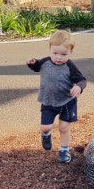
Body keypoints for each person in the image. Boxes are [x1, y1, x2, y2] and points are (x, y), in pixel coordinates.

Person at [27, 30, 87, 163]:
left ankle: (64, 151)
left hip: (67, 102)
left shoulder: (70, 66)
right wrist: (32, 63)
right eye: (55, 53)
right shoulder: (45, 62)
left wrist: (79, 87)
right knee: (45, 127)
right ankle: (46, 135)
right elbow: (36, 66)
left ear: (71, 52)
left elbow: (82, 80)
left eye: (63, 54)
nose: (58, 57)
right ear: (50, 49)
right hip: (48, 101)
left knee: (64, 127)